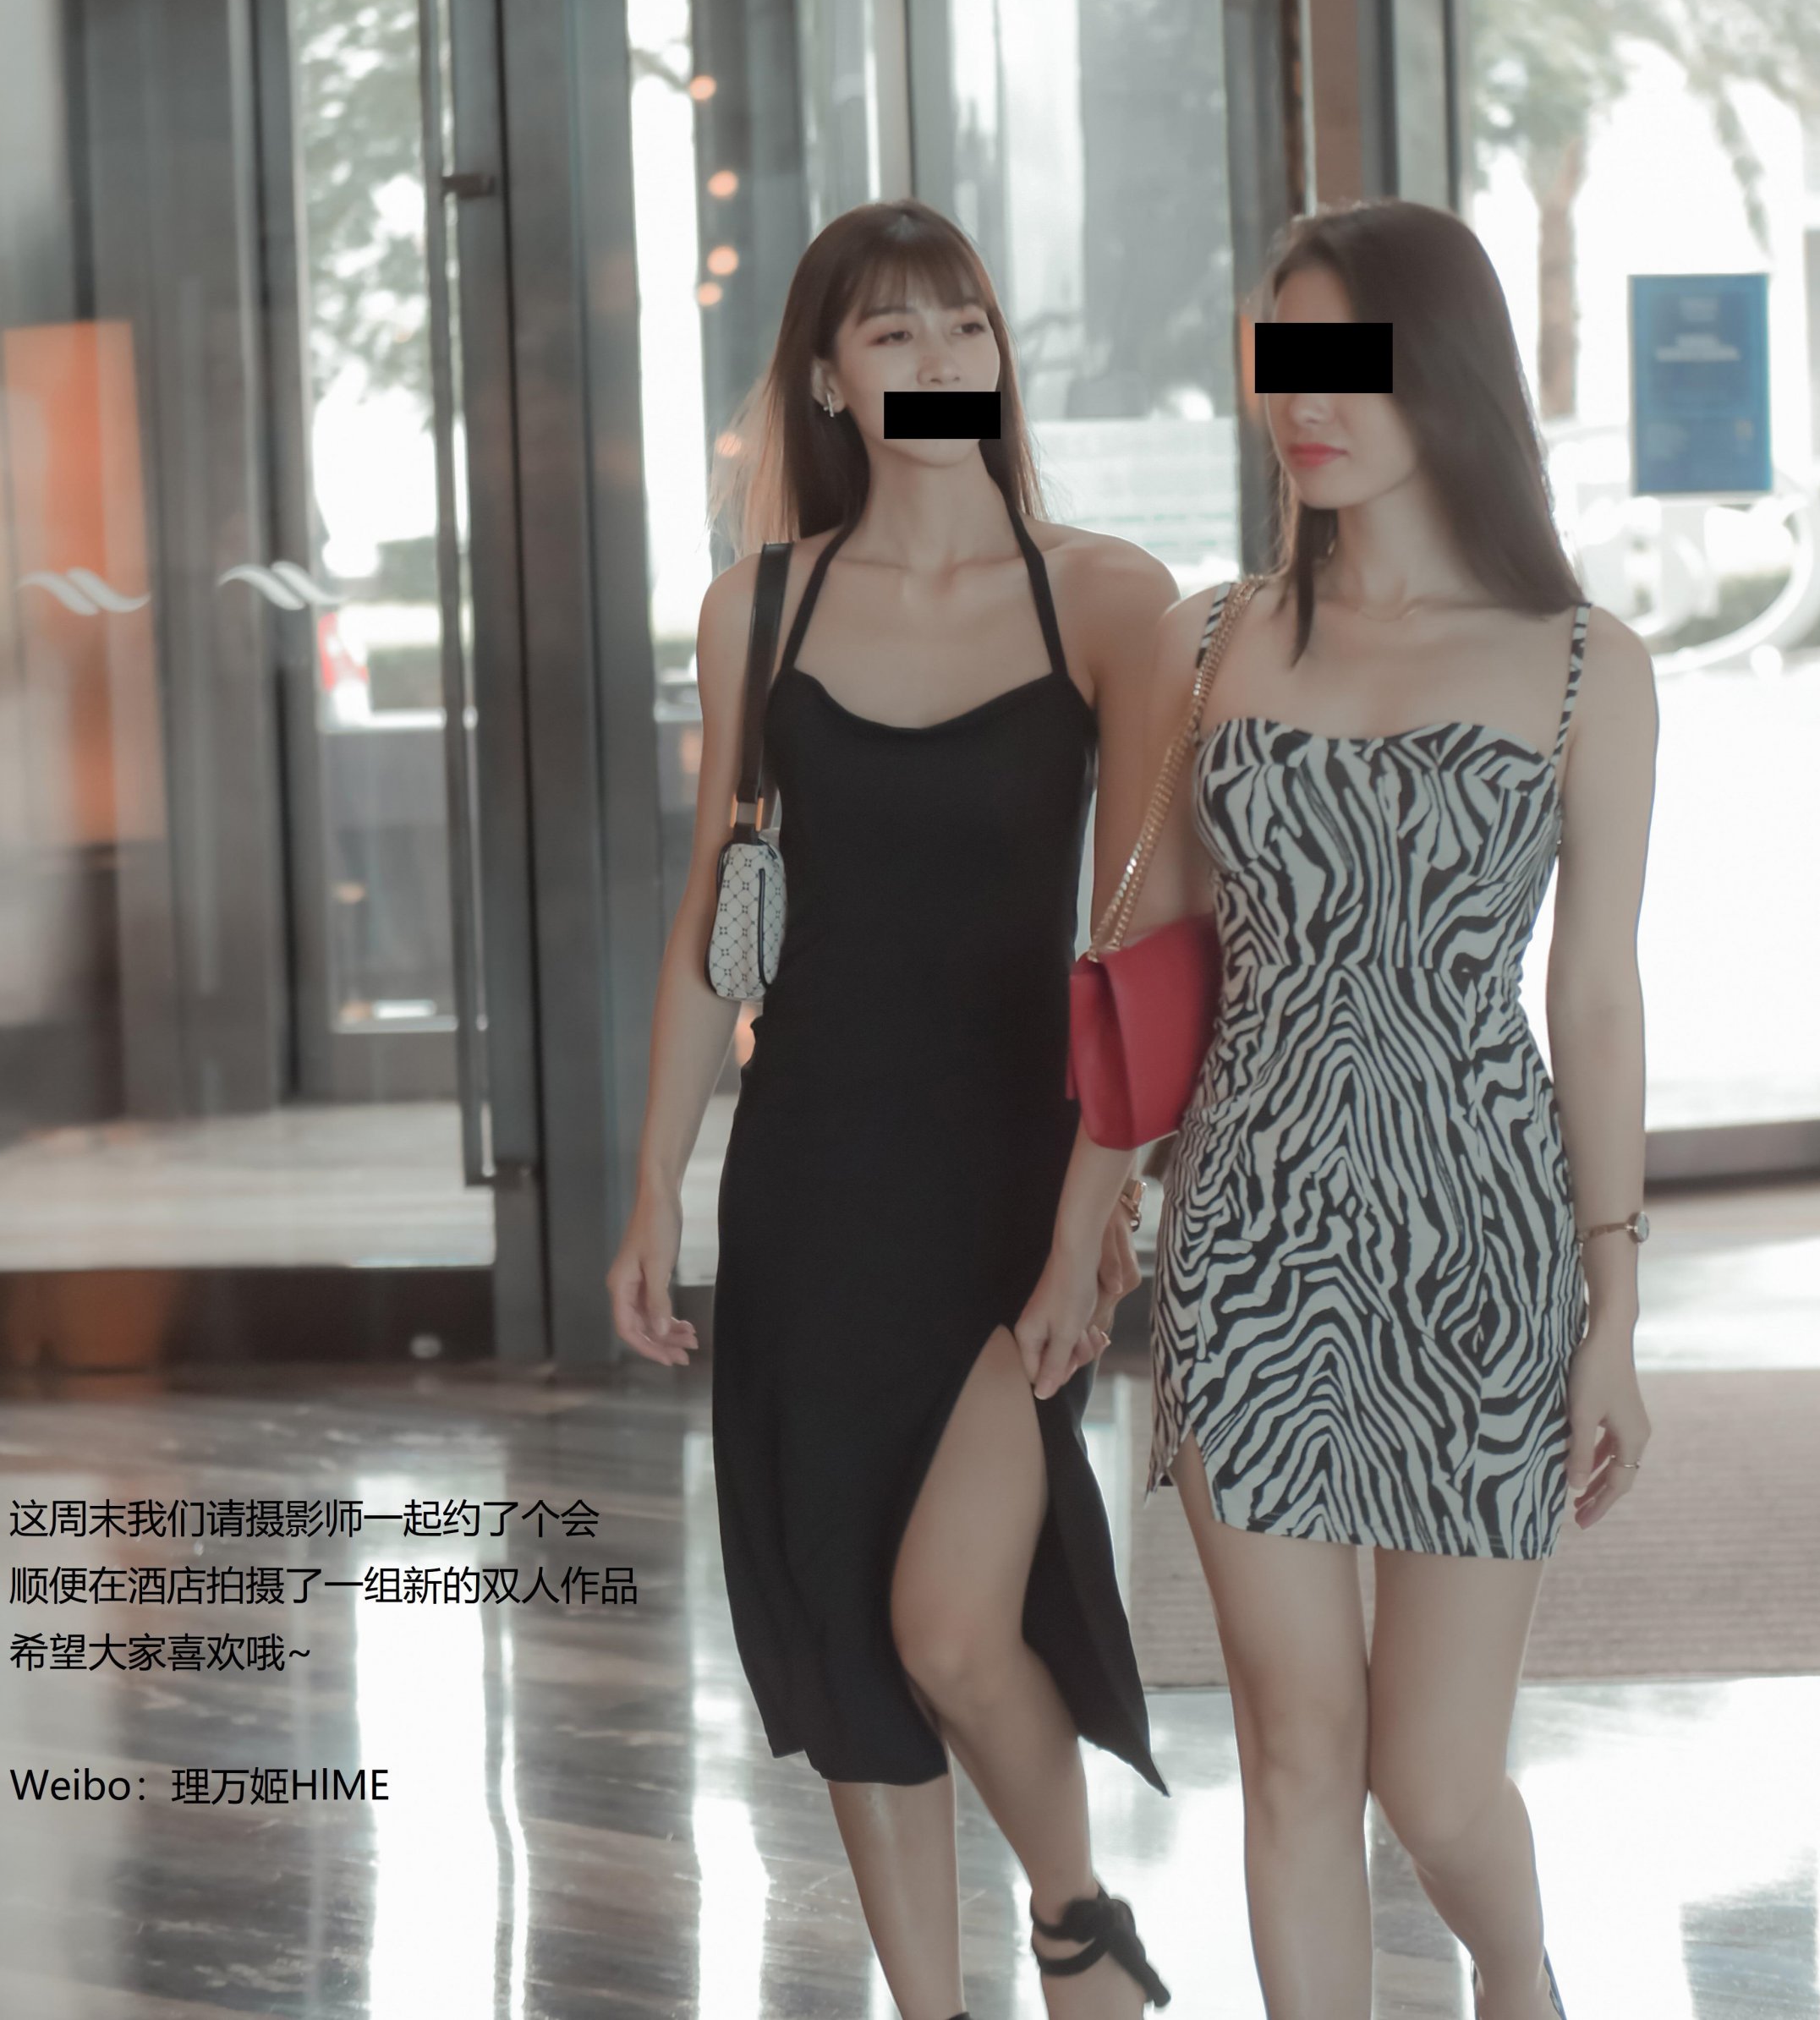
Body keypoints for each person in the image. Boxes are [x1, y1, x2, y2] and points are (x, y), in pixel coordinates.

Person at [1019, 200, 1658, 2020]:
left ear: (1441, 374)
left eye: (1344, 363)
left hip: (1481, 1247)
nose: (1300, 403)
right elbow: (1144, 969)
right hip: (1251, 1241)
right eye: (1279, 362)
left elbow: (1594, 999)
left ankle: (1518, 1979)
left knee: (1432, 1781)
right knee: (1295, 1751)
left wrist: (1615, 1313)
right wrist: (1079, 1239)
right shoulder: (1209, 640)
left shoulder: (1582, 662)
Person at [608, 200, 1178, 2020]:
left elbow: (1142, 944)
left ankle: (1078, 1927)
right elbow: (716, 918)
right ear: (827, 382)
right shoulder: (758, 606)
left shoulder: (1108, 598)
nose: (939, 362)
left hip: (1012, 1187)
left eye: (966, 326)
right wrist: (653, 1188)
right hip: (812, 1182)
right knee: (853, 1627)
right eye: (893, 334)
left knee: (949, 1621)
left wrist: (1095, 1217)